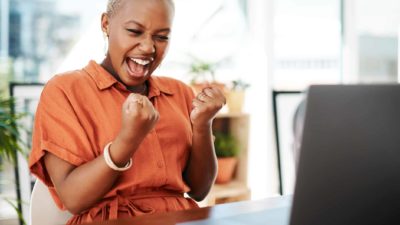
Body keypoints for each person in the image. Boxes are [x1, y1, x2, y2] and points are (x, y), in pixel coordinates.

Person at [28, 0, 226, 224]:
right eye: (134, 31)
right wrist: (128, 140)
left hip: (180, 219)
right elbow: (73, 199)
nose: (148, 47)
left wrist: (202, 125)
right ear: (106, 24)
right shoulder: (65, 91)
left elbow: (199, 191)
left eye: (161, 37)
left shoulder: (179, 92)